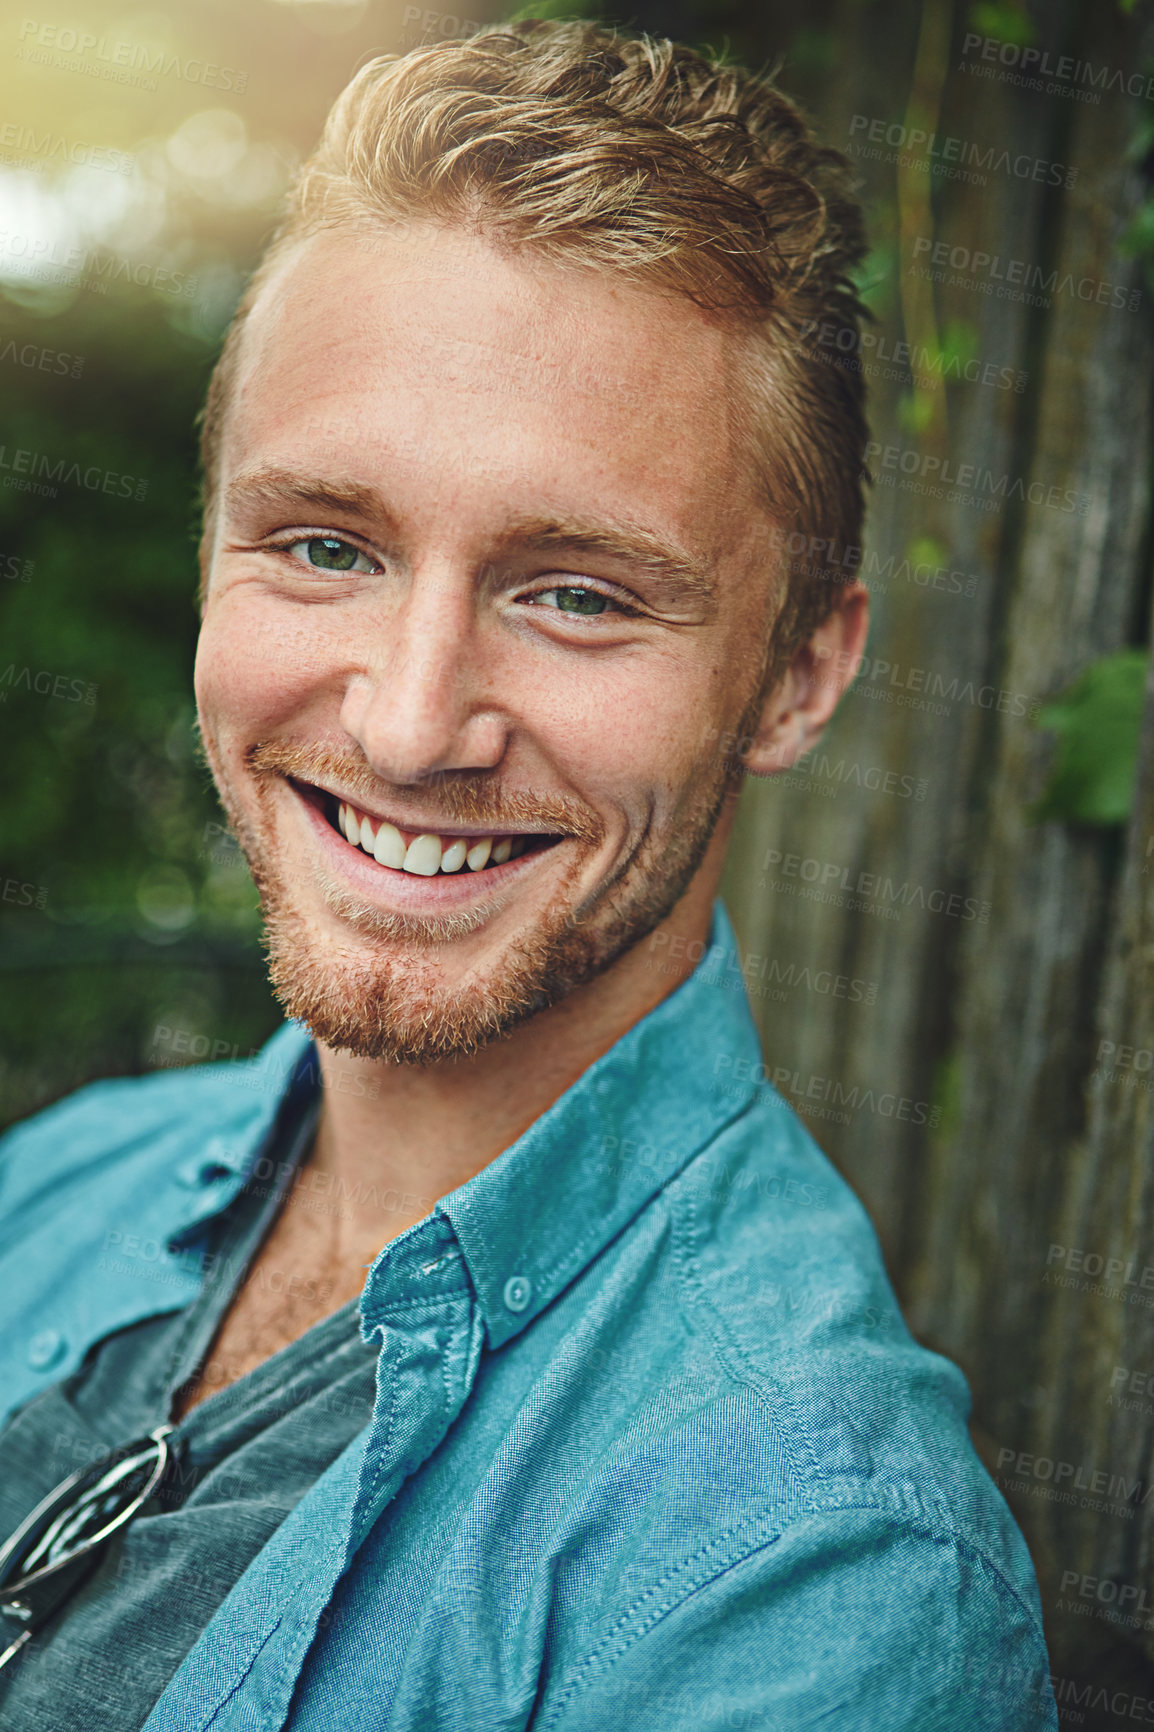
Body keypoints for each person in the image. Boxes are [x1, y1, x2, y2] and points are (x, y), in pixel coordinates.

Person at [0, 19, 1056, 1730]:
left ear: (799, 670)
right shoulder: (52, 1192)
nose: (411, 725)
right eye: (325, 545)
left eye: (576, 591)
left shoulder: (807, 1581)